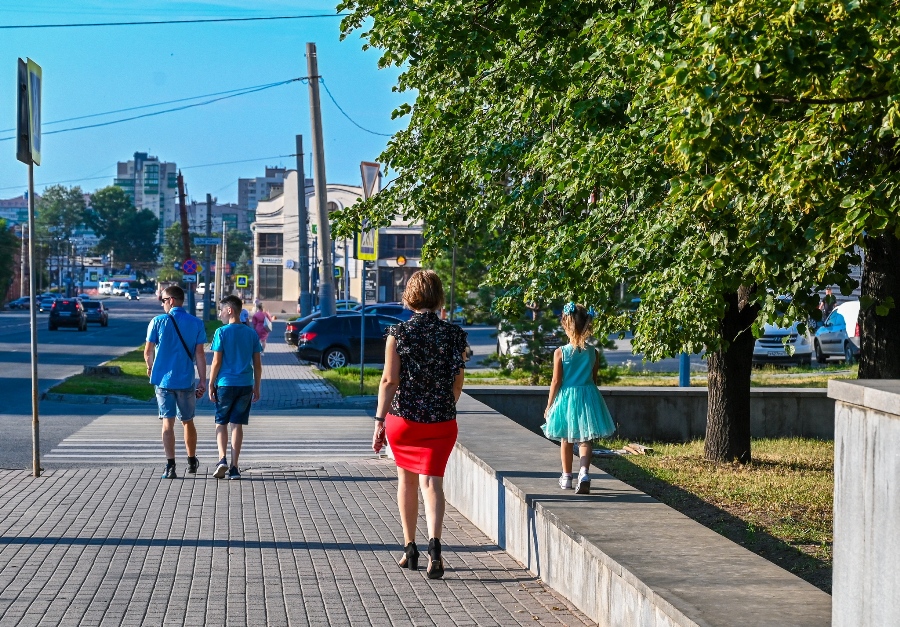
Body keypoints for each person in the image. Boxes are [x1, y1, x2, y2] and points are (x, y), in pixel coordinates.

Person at [373, 270, 468, 580]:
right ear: (438, 296)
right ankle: (436, 549)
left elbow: (389, 380)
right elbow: (457, 383)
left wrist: (379, 421)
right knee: (433, 483)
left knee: (407, 481)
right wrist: (443, 406)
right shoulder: (453, 334)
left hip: (405, 419)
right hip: (441, 420)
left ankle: (410, 548)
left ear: (409, 297)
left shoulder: (398, 333)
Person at [542, 302, 615, 494]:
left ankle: (566, 477)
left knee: (566, 437)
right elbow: (594, 378)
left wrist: (550, 405)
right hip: (588, 396)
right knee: (585, 438)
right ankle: (584, 471)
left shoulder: (561, 352)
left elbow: (556, 380)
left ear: (566, 325)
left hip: (567, 397)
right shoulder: (593, 352)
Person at [144, 285, 207, 480]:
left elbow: (148, 352)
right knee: (187, 421)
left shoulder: (157, 322)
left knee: (167, 424)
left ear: (171, 300)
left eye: (163, 300)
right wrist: (203, 381)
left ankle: (170, 466)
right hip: (186, 380)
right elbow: (199, 355)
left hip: (163, 381)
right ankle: (191, 461)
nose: (162, 304)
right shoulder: (196, 323)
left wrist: (150, 367)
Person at [208, 295, 262, 481]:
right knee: (237, 425)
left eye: (221, 310)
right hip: (246, 384)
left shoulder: (221, 332)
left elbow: (216, 361)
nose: (220, 314)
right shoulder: (251, 333)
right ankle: (234, 468)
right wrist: (257, 386)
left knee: (221, 422)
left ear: (229, 310)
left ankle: (222, 459)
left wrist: (210, 383)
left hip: (225, 384)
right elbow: (257, 364)